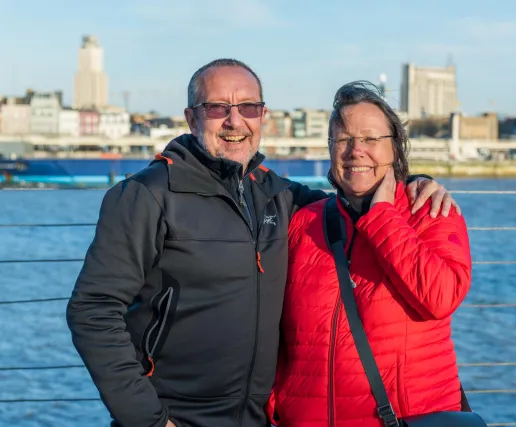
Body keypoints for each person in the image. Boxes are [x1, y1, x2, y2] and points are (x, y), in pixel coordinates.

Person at [66, 59, 460, 427]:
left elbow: (354, 192)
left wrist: (412, 184)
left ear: (263, 116)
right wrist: (147, 419)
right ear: (191, 117)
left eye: (248, 108)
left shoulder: (279, 197)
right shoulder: (148, 196)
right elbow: (93, 311)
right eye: (217, 107)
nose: (234, 121)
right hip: (177, 416)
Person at [267, 81, 472, 427]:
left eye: (371, 139)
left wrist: (383, 218)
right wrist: (277, 401)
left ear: (396, 149)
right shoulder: (305, 223)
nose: (356, 150)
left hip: (405, 420)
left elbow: (441, 296)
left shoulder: (431, 212)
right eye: (344, 139)